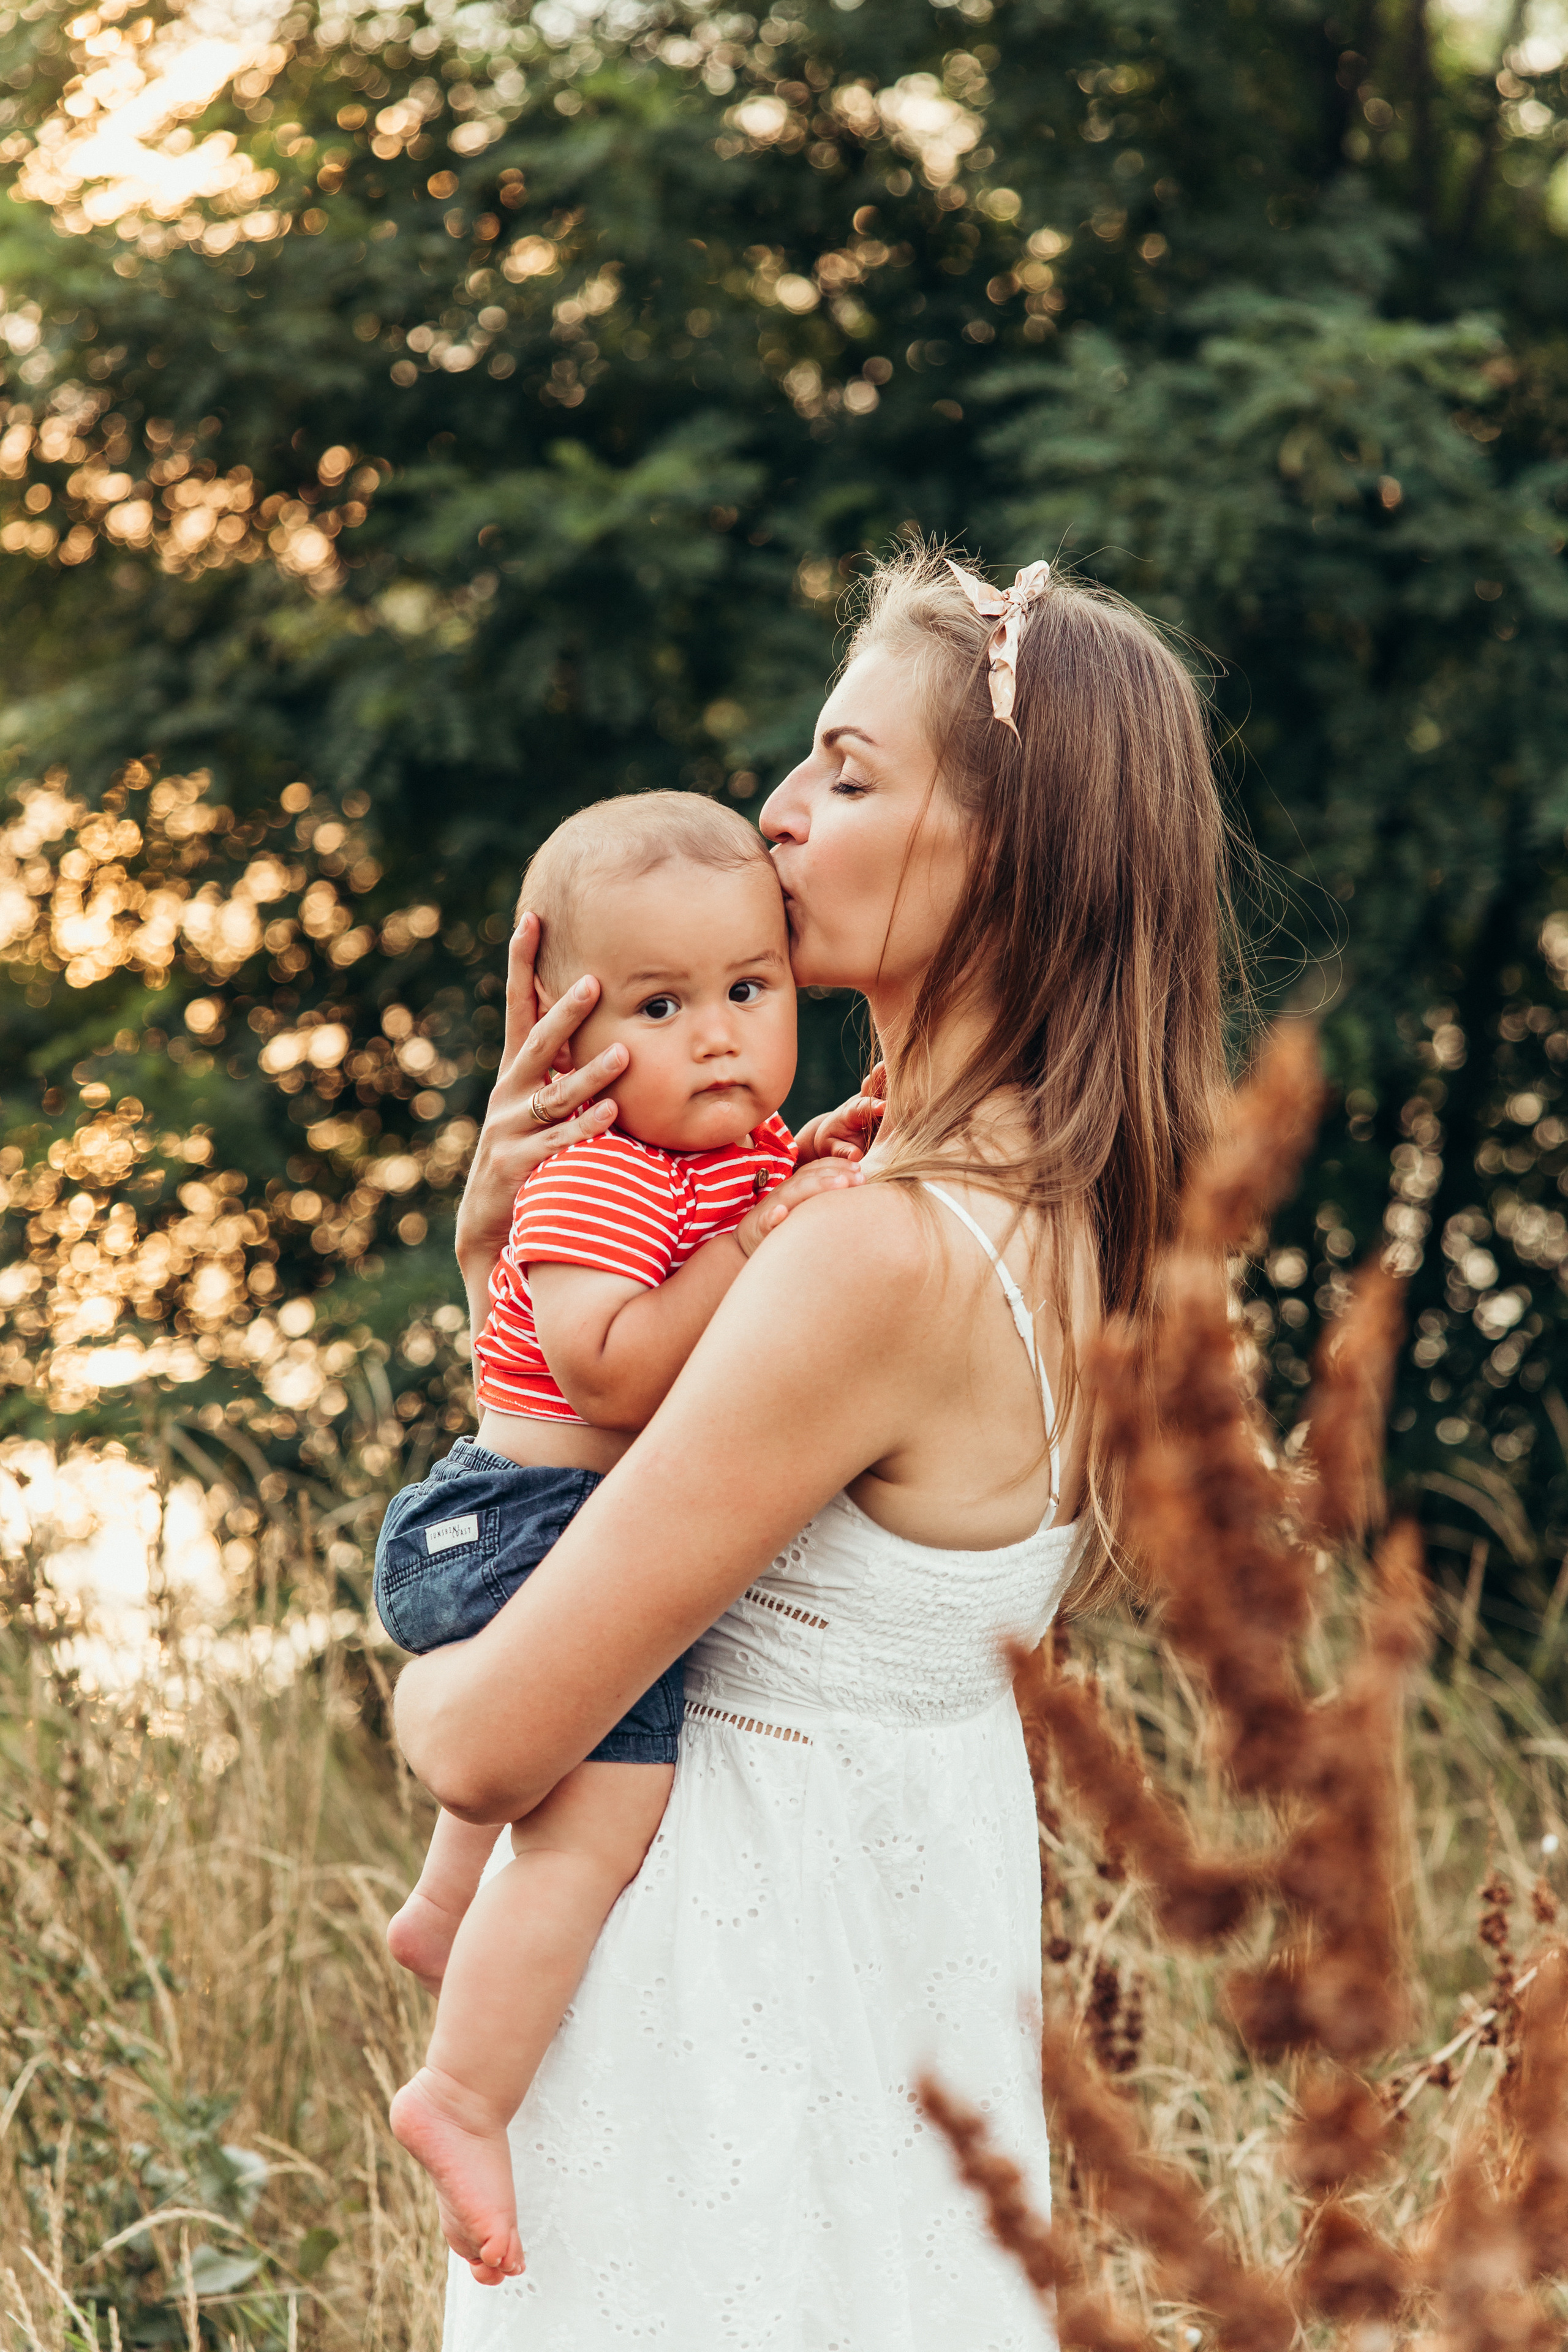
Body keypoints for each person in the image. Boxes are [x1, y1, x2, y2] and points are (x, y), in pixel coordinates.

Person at [393, 544, 1231, 2347]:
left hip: (719, 2040)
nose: (776, 813)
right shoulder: (1049, 1218)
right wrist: (506, 1268)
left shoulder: (868, 1255)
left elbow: (485, 1734)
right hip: (883, 2023)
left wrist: (426, 1681)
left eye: (847, 776)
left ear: (1006, 854)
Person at [375, 793, 870, 2278]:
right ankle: (462, 2095)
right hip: (509, 1522)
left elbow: (746, 1231)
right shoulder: (599, 1173)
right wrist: (762, 1239)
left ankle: (441, 1904)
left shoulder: (728, 1152)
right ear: (571, 1033)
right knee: (597, 1823)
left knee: (558, 1753)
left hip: (537, 1518)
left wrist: (805, 1168)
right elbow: (608, 1371)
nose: (716, 1038)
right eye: (659, 1007)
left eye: (748, 990)